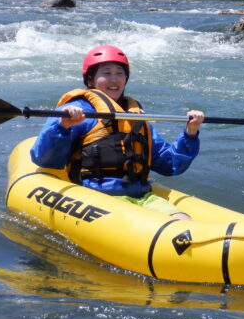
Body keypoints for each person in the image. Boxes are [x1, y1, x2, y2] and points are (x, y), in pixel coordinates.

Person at [30, 45, 204, 220]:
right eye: (106, 73)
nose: (114, 79)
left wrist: (190, 134)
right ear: (90, 80)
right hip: (94, 197)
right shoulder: (74, 112)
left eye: (120, 73)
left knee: (183, 221)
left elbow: (170, 165)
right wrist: (63, 127)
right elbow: (45, 160)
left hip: (141, 195)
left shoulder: (135, 117)